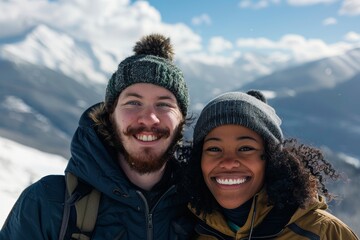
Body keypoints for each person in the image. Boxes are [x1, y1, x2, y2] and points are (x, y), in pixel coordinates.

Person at [1, 34, 194, 239]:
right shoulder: (47, 205)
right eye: (133, 103)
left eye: (164, 104)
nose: (149, 119)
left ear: (182, 119)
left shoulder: (203, 209)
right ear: (110, 115)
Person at [183, 90, 359, 239]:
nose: (228, 162)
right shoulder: (186, 228)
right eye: (214, 149)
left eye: (245, 148)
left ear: (272, 158)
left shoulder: (324, 232)